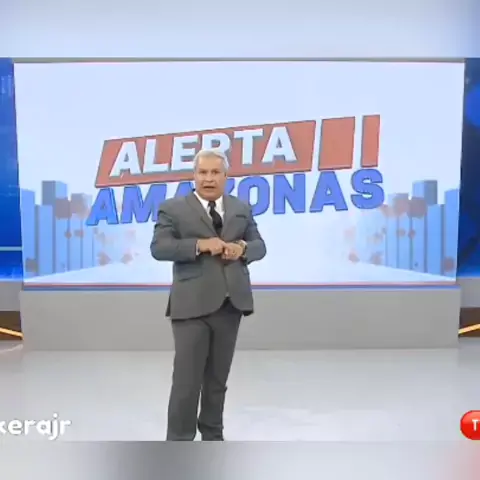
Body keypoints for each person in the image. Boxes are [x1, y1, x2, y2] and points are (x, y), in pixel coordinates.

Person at [150, 148, 267, 441]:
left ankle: (213, 439)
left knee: (217, 381)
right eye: (203, 172)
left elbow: (260, 246)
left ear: (226, 176)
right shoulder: (172, 208)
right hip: (191, 307)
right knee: (186, 382)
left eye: (215, 172)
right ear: (194, 176)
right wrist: (200, 245)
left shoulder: (240, 207)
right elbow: (159, 248)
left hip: (230, 304)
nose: (209, 178)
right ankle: (179, 442)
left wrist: (242, 249)